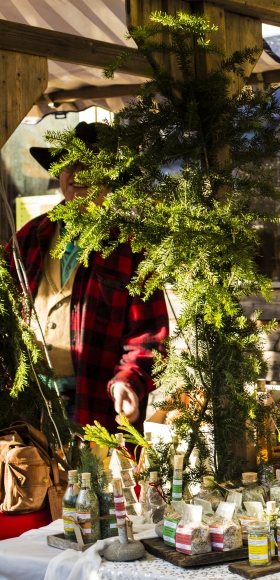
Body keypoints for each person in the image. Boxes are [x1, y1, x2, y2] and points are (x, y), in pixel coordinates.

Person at [5, 122, 169, 430]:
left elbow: (149, 340)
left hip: (93, 403)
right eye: (70, 164)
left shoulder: (132, 249)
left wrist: (128, 382)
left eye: (91, 166)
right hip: (27, 401)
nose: (78, 173)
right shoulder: (28, 236)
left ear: (111, 180)